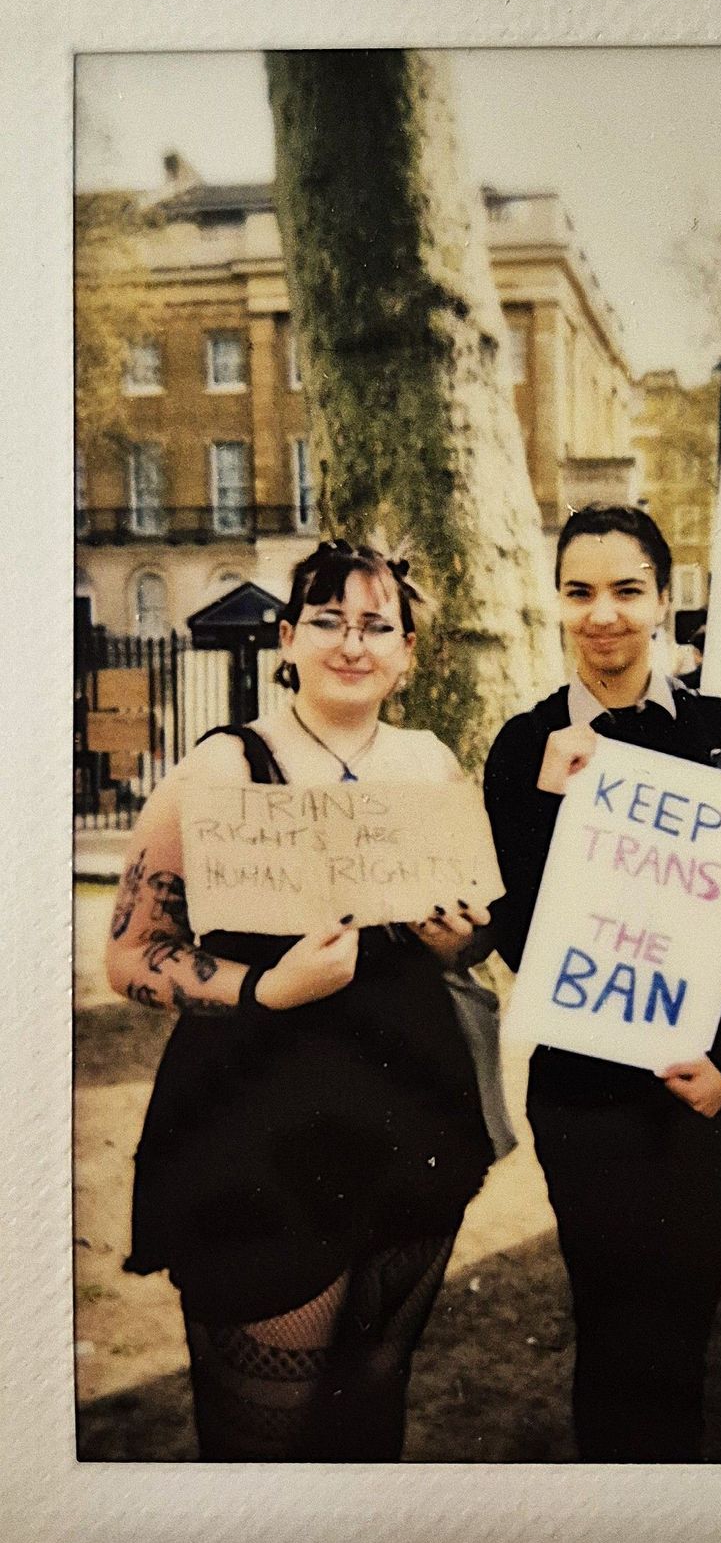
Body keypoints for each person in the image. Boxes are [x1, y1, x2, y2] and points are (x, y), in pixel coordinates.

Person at [109, 540, 496, 1461]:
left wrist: (461, 938)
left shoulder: (430, 763)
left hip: (413, 1120)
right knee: (261, 1447)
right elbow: (131, 953)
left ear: (407, 651)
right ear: (287, 639)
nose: (351, 644)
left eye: (375, 625)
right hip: (260, 1138)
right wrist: (263, 985)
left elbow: (473, 934)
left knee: (371, 1405)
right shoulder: (224, 766)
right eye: (327, 621)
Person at [483, 505, 721, 1462]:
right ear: (557, 603)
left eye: (627, 589)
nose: (604, 615)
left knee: (684, 1333)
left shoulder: (720, 735)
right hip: (585, 1096)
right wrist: (547, 804)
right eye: (580, 591)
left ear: (666, 600)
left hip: (701, 1094)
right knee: (613, 1330)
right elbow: (517, 933)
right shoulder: (523, 745)